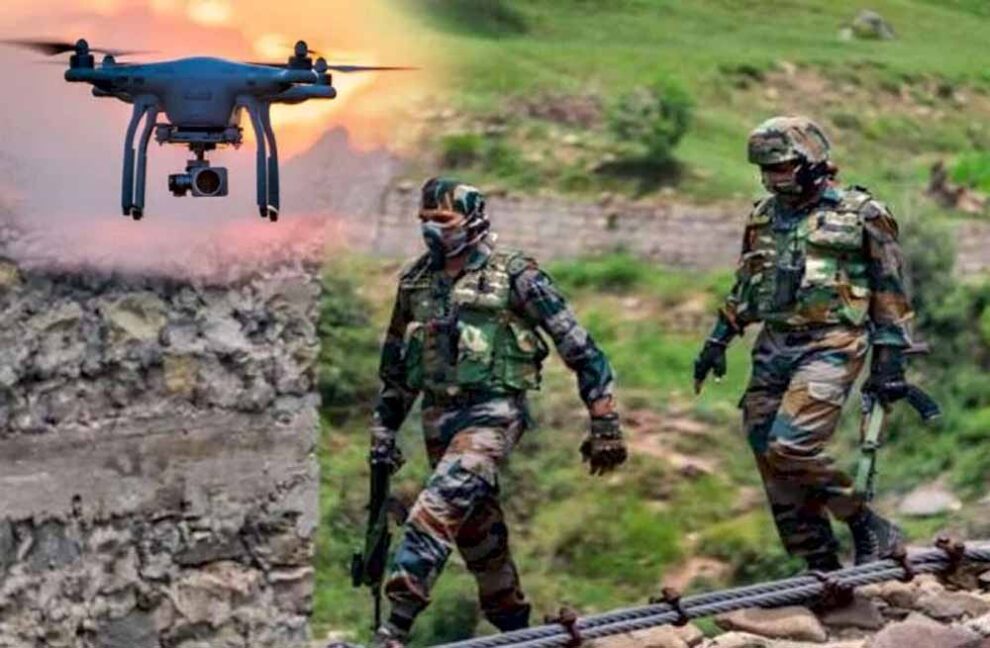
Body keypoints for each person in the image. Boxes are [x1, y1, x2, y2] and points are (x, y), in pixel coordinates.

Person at [369, 177, 627, 647]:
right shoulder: (415, 281)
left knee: (436, 507)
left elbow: (580, 348)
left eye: (442, 219)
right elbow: (397, 369)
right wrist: (384, 431)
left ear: (472, 219)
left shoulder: (516, 276)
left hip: (493, 413)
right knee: (478, 535)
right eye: (424, 220)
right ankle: (518, 631)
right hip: (438, 419)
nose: (431, 229)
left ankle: (394, 628)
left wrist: (604, 419)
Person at [694, 116, 914, 571]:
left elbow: (890, 288)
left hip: (832, 343)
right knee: (767, 452)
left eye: (781, 168)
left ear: (812, 161)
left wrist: (890, 358)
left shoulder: (863, 214)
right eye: (765, 170)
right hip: (774, 346)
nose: (772, 178)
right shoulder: (763, 215)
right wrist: (719, 338)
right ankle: (820, 564)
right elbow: (747, 284)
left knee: (790, 447)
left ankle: (865, 522)